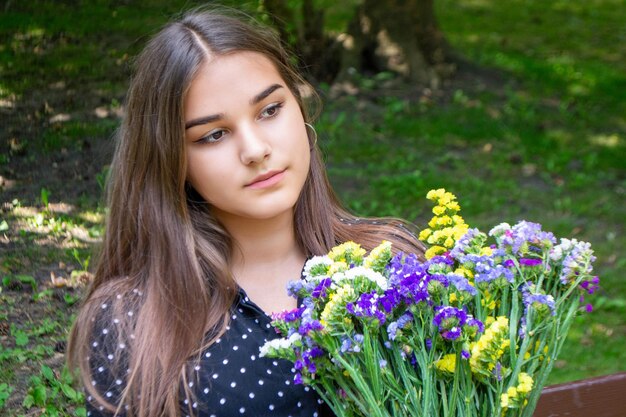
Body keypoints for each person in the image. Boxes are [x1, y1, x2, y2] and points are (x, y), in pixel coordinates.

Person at [67, 7, 424, 417]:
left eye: (270, 110)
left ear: (299, 108)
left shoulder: (395, 264)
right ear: (171, 160)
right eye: (214, 135)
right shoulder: (134, 320)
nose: (255, 150)